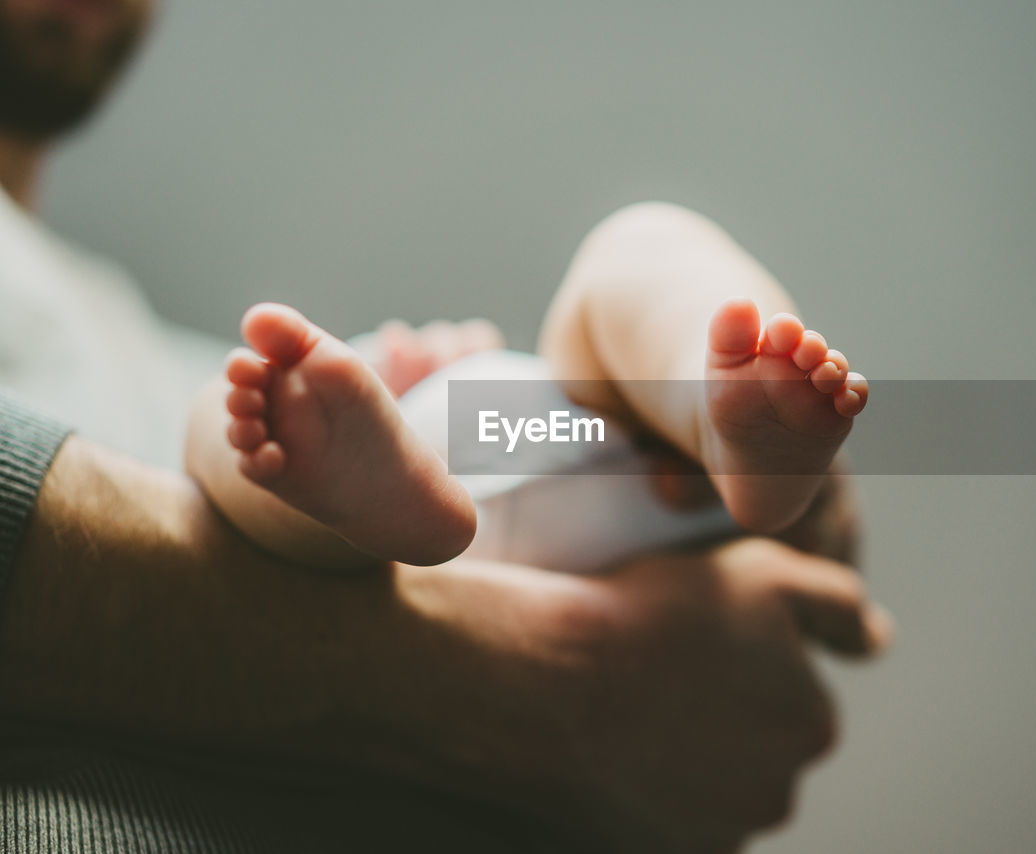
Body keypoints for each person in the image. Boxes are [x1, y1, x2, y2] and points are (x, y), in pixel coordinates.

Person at [0, 0, 894, 850]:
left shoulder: (139, 334)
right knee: (246, 437)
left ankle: (715, 414)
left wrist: (408, 386)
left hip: (499, 462)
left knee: (635, 257)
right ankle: (691, 426)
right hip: (463, 509)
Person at [185, 218, 869, 571]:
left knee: (227, 426)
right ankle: (708, 402)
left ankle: (706, 407)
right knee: (633, 248)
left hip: (634, 486)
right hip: (651, 519)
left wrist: (415, 375)